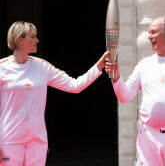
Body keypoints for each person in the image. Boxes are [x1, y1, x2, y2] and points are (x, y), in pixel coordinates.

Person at [0, 21, 109, 166]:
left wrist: (99, 66)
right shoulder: (2, 67)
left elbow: (74, 86)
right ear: (20, 39)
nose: (37, 40)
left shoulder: (42, 67)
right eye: (32, 37)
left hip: (37, 142)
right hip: (9, 141)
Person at [105, 16, 165, 166]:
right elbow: (125, 95)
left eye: (154, 32)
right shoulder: (144, 64)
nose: (149, 37)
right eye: (149, 33)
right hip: (149, 137)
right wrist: (116, 77)